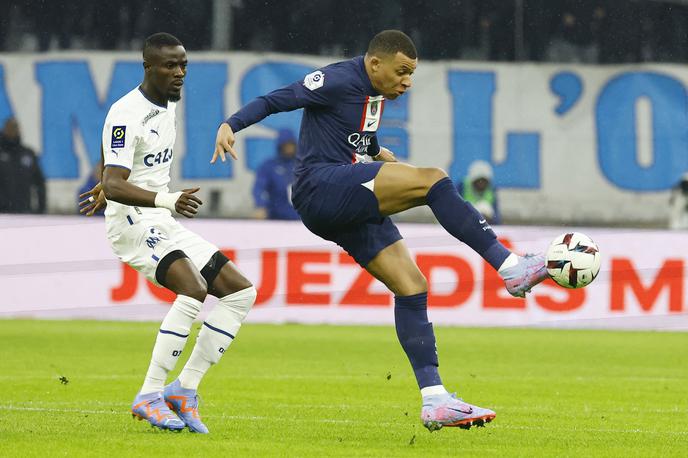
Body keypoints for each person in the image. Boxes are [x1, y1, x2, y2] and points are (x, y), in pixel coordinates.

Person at [211, 30, 548, 432]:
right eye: (401, 72)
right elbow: (276, 99)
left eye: (411, 74)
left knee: (412, 286)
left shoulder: (372, 93)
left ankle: (435, 399)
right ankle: (509, 265)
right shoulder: (336, 79)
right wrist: (232, 124)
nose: (406, 81)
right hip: (321, 187)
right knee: (433, 180)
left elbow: (349, 134)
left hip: (337, 198)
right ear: (375, 64)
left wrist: (373, 152)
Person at [79, 33, 256, 434]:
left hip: (161, 221)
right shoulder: (127, 111)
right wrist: (159, 198)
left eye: (183, 65)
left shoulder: (167, 104)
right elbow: (117, 184)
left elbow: (114, 161)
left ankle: (184, 389)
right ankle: (149, 394)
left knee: (241, 292)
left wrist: (107, 174)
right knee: (193, 289)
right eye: (169, 66)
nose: (179, 73)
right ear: (148, 67)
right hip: (133, 223)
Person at [0, 117, 46, 214]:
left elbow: (39, 183)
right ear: (4, 130)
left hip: (24, 212)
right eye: (10, 127)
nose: (12, 130)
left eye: (15, 127)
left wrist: (41, 209)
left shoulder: (28, 154)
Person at [252, 128, 300, 220]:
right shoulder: (269, 166)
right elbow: (258, 188)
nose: (289, 148)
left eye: (291, 145)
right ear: (280, 146)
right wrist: (261, 205)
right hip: (276, 218)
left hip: (302, 219)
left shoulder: (303, 165)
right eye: (285, 145)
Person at [457, 160, 500, 225]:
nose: (481, 184)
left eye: (484, 181)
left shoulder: (492, 189)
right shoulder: (462, 186)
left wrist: (488, 218)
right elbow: (454, 211)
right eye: (478, 181)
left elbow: (497, 218)